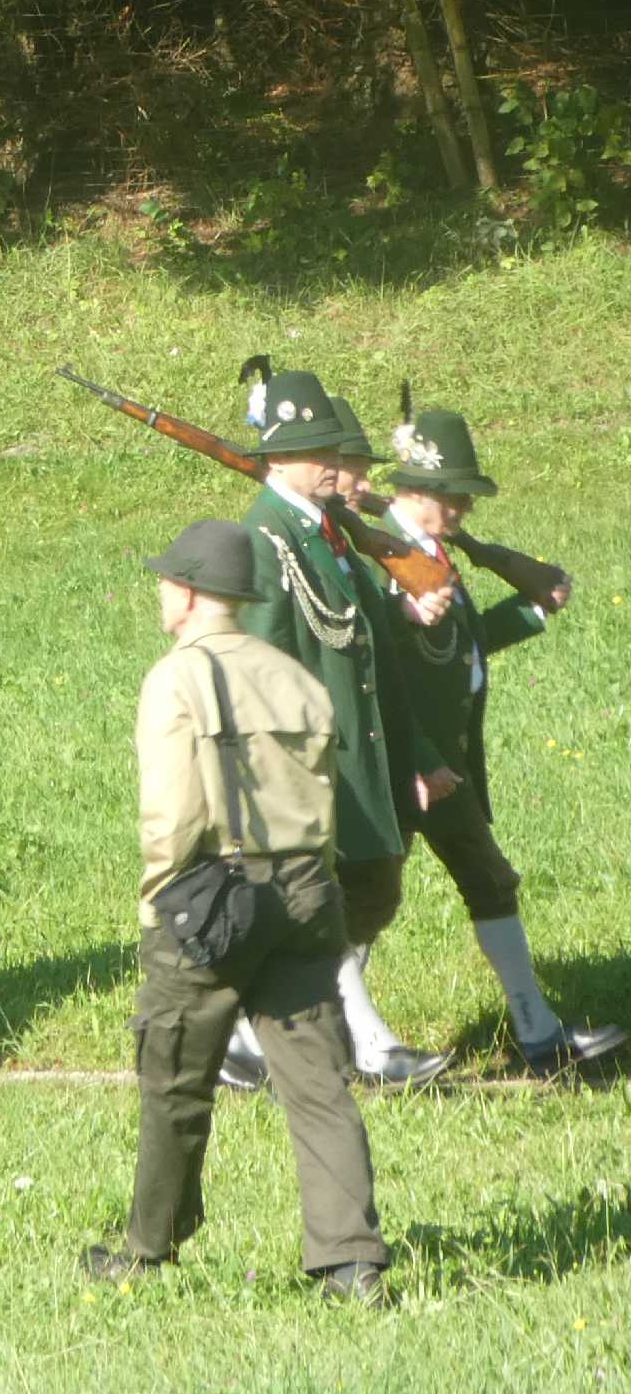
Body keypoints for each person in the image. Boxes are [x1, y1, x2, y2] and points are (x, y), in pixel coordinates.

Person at [82, 520, 389, 1304]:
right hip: (307, 888)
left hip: (215, 897)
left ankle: (149, 1250)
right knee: (318, 1081)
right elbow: (325, 794)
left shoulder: (176, 679)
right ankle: (351, 1262)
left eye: (165, 580)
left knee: (175, 1077)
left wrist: (158, 902)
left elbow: (171, 815)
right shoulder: (293, 675)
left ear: (188, 592)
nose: (159, 592)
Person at [374, 397, 623, 1077]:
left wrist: (533, 610)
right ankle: (302, 1032)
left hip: (445, 762)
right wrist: (419, 758)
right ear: (415, 489)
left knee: (489, 881)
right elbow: (375, 670)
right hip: (403, 758)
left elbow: (460, 644)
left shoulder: (430, 551)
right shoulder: (379, 553)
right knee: (365, 901)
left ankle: (538, 1032)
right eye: (453, 495)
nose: (464, 509)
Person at [220, 370, 449, 1093]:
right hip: (315, 758)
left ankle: (249, 1033)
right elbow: (264, 667)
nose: (332, 461)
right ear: (277, 457)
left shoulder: (327, 533)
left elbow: (374, 656)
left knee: (372, 891)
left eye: (332, 447)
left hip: (357, 749)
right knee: (324, 901)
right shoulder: (266, 539)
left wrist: (415, 754)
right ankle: (363, 1043)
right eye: (314, 449)